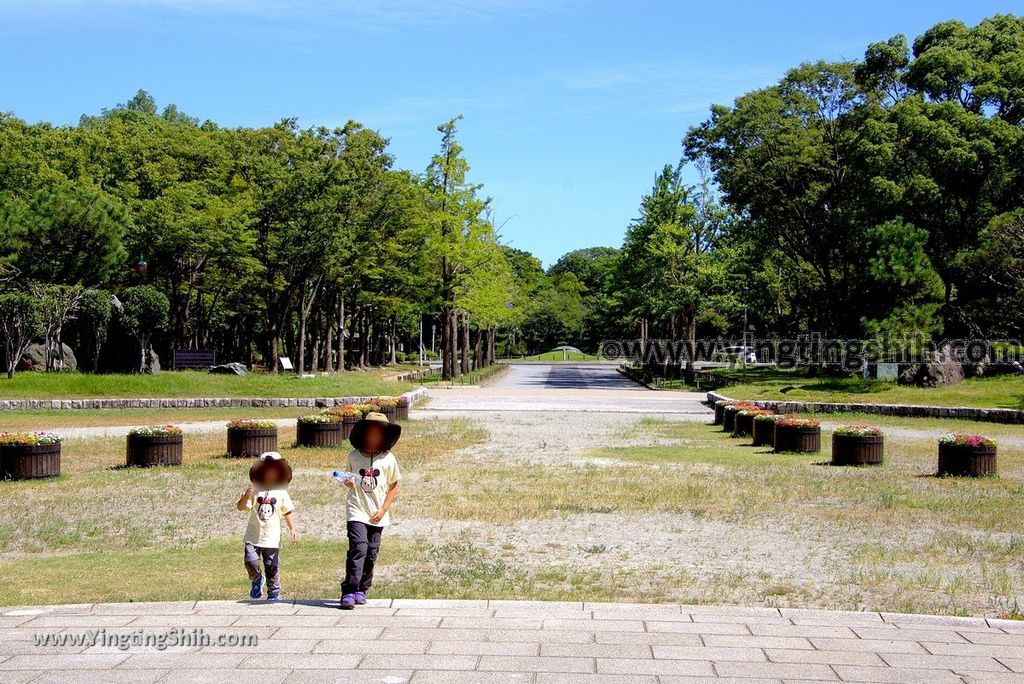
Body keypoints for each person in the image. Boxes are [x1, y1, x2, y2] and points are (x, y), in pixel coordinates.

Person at [339, 412, 402, 610]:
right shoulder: (354, 456)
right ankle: (348, 591)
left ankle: (362, 589)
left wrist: (384, 509)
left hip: (377, 514)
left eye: (379, 432)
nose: (374, 436)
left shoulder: (388, 459)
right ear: (363, 432)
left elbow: (394, 485)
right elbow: (349, 481)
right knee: (359, 547)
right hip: (356, 509)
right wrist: (348, 482)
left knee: (372, 552)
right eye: (371, 431)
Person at [236, 452, 296, 603]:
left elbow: (287, 511)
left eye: (273, 472)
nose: (270, 475)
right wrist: (245, 496)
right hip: (253, 535)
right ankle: (257, 579)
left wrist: (292, 529)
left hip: (272, 538)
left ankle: (274, 592)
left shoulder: (282, 493)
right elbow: (241, 507)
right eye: (266, 471)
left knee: (271, 565)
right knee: (250, 561)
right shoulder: (256, 491)